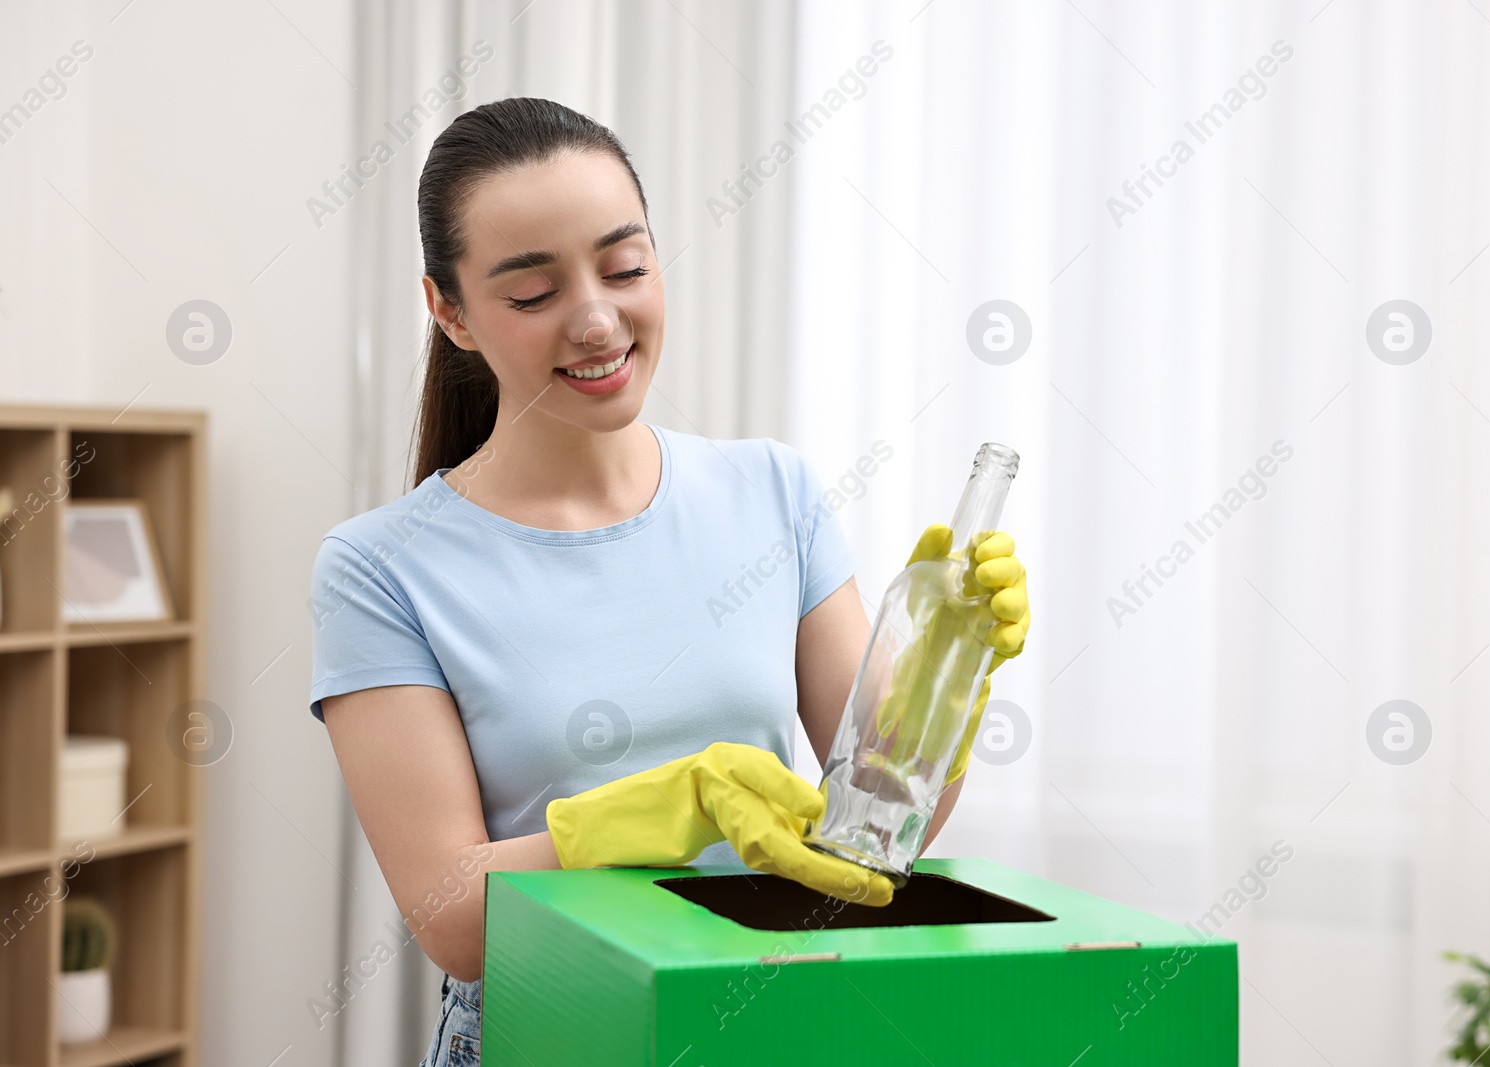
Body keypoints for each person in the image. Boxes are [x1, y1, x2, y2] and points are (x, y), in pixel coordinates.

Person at [307, 97, 1031, 1067]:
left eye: (625, 266)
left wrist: (945, 676)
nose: (598, 319)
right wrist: (668, 805)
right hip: (552, 1030)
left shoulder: (773, 491)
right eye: (532, 293)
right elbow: (449, 916)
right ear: (451, 312)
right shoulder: (379, 568)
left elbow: (876, 823)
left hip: (777, 1015)